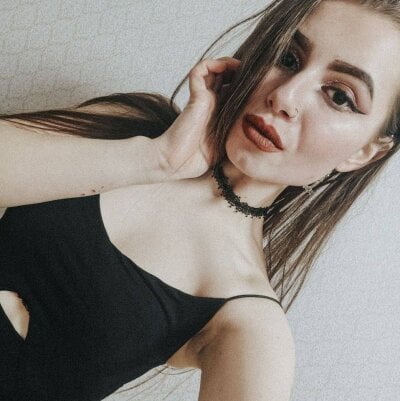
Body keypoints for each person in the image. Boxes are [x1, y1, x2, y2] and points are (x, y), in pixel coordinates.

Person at [0, 0, 399, 400]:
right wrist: (160, 160)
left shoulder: (247, 320)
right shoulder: (135, 126)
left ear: (365, 151)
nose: (285, 96)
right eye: (288, 58)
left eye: (339, 96)